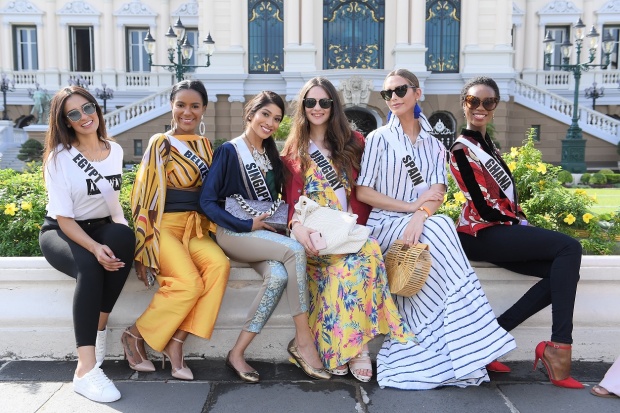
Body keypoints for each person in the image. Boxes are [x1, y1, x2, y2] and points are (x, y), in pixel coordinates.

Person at [356, 69, 516, 390]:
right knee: (442, 225)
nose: (394, 98)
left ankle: (453, 348)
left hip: (419, 226)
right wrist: (412, 209)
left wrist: (420, 215)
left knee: (439, 225)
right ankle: (480, 341)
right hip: (384, 226)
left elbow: (437, 192)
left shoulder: (432, 143)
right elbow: (364, 192)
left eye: (400, 91)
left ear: (417, 93)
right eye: (388, 94)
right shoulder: (379, 139)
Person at [448, 76, 584, 389]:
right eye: (473, 101)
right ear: (464, 105)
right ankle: (559, 349)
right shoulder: (460, 149)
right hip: (479, 233)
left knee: (562, 273)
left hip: (499, 229)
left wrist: (519, 223)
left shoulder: (488, 147)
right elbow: (483, 207)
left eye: (488, 102)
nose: (480, 108)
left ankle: (489, 342)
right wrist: (520, 224)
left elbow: (505, 200)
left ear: (495, 107)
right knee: (570, 248)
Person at [281, 77, 414, 383]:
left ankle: (355, 350)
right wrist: (298, 229)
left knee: (367, 256)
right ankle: (356, 350)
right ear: (302, 107)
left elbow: (380, 176)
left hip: (350, 231)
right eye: (310, 102)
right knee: (341, 271)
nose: (317, 108)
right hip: (317, 238)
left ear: (333, 106)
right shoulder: (293, 152)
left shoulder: (355, 143)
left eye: (324, 102)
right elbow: (291, 202)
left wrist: (417, 203)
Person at [200, 91, 330, 383]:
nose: (270, 123)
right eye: (265, 115)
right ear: (251, 113)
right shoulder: (229, 151)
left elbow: (282, 198)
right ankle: (303, 341)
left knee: (278, 277)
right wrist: (245, 224)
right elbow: (207, 202)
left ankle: (237, 353)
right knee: (295, 251)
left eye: (276, 119)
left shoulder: (273, 155)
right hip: (234, 233)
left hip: (265, 237)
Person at [126, 80, 230, 381]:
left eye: (195, 106)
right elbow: (144, 196)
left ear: (204, 110)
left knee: (219, 266)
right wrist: (143, 247)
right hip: (164, 229)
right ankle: (134, 335)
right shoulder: (161, 142)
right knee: (188, 285)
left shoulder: (206, 146)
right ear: (172, 107)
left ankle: (176, 342)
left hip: (195, 228)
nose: (188, 112)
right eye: (181, 105)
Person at [39, 86, 134, 402]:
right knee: (91, 267)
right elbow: (64, 219)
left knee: (123, 238)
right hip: (62, 230)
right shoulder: (59, 158)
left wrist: (119, 237)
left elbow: (111, 205)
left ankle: (99, 327)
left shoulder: (115, 150)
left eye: (88, 108)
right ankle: (85, 369)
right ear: (65, 121)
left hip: (100, 226)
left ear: (97, 108)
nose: (84, 117)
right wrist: (94, 248)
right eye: (74, 113)